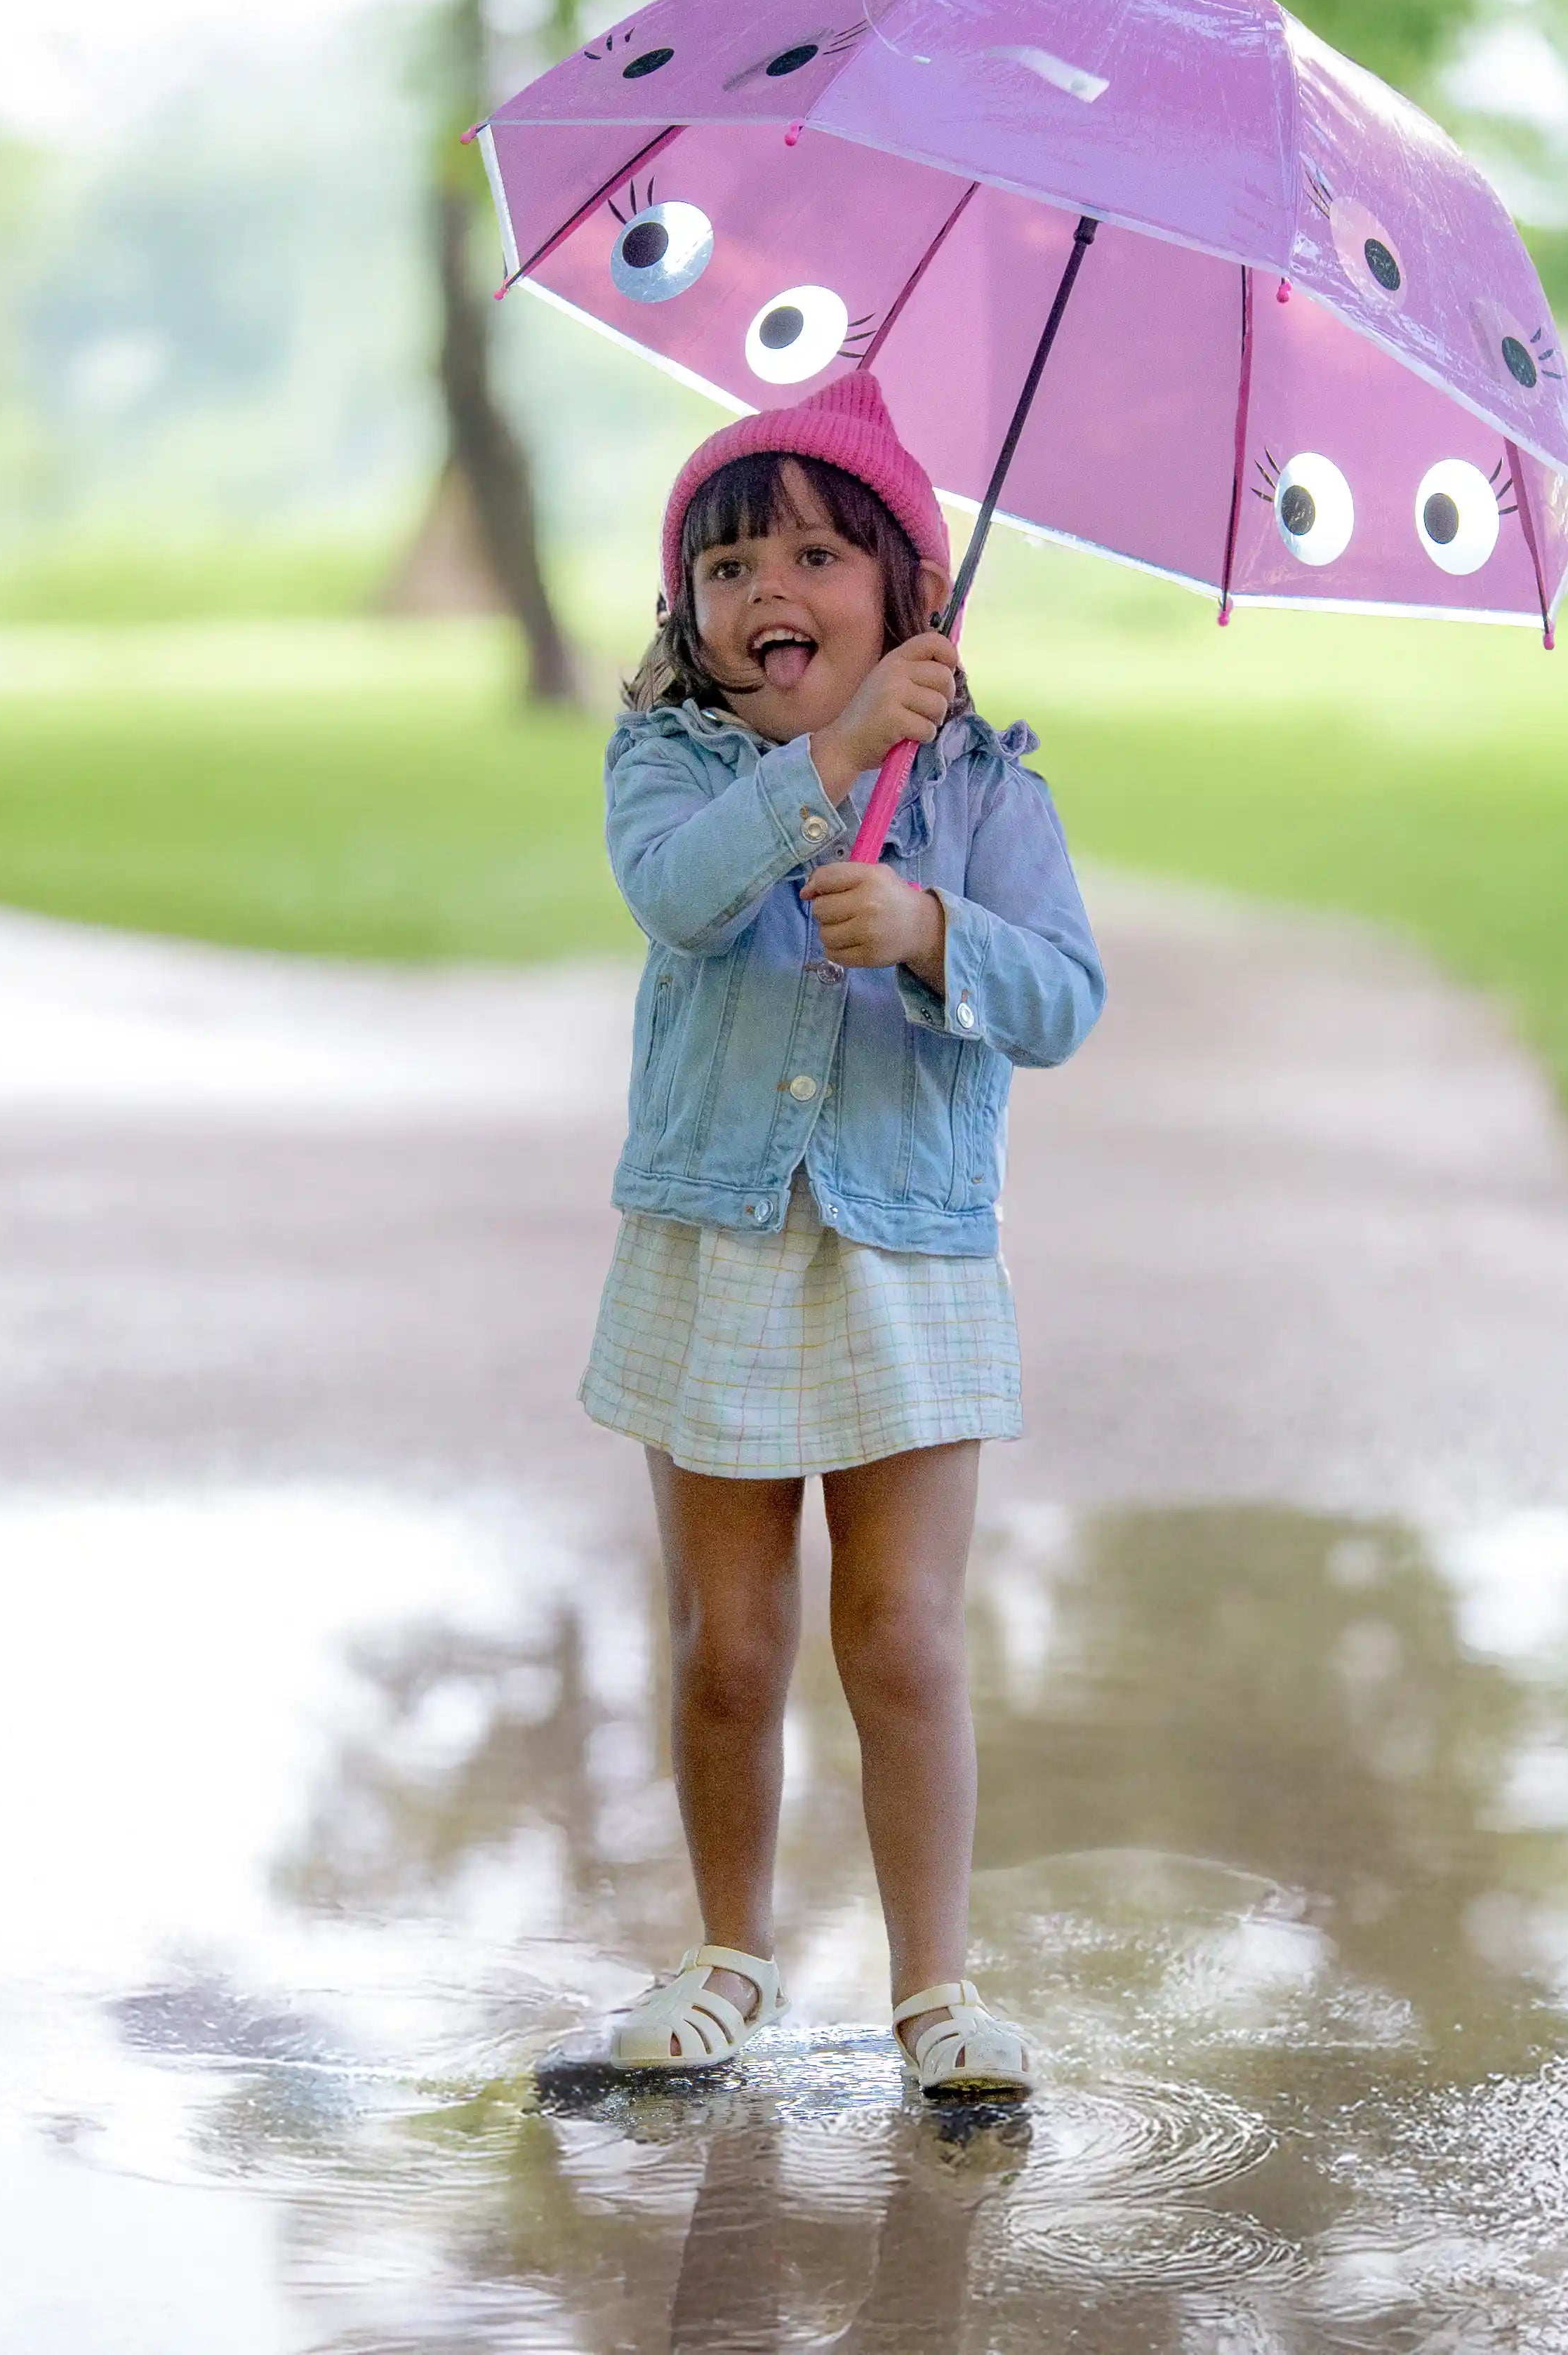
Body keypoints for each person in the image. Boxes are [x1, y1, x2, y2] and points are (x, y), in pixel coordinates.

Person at [581, 373, 1105, 2097]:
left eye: (816, 553)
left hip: (908, 1250)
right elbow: (680, 893)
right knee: (729, 1644)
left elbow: (1063, 997)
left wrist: (936, 925)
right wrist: (830, 762)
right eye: (729, 566)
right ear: (689, 607)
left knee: (901, 1634)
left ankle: (934, 1988)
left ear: (910, 592)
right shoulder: (671, 760)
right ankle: (728, 1950)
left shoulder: (983, 788)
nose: (769, 593)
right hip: (720, 1236)